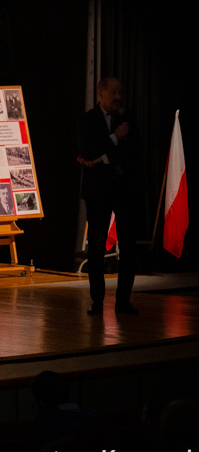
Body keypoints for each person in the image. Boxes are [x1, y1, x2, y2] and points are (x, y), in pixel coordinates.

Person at [78, 77, 141, 315]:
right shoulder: (87, 120)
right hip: (98, 192)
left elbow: (133, 149)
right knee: (96, 248)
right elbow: (88, 150)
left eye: (120, 92)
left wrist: (105, 158)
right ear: (100, 93)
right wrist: (114, 137)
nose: (118, 97)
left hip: (125, 190)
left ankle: (123, 302)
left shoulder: (128, 118)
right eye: (113, 92)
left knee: (128, 248)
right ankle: (97, 301)